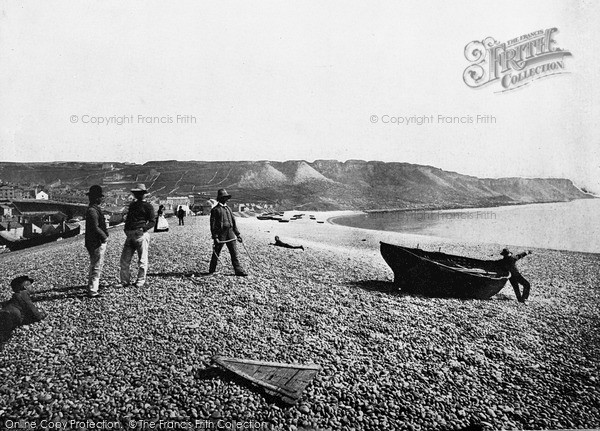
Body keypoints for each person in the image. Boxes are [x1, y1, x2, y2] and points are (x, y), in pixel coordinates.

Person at [120, 184, 156, 288]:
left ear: (143, 194)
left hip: (141, 234)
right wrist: (126, 229)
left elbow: (152, 221)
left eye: (140, 193)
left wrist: (143, 229)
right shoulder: (132, 205)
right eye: (136, 193)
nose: (138, 195)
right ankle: (124, 281)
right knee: (124, 260)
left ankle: (140, 280)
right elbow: (128, 219)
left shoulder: (148, 206)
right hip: (130, 234)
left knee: (142, 259)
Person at [208, 189, 247, 276]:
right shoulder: (215, 210)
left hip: (230, 232)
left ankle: (238, 270)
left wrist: (238, 234)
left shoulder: (229, 209)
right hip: (220, 234)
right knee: (216, 252)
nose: (227, 199)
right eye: (225, 197)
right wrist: (215, 237)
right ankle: (211, 270)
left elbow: (233, 223)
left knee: (234, 252)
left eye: (227, 197)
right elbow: (213, 225)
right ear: (220, 198)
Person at [0, 276, 46, 342]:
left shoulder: (16, 296)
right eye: (30, 285)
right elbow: (36, 315)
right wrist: (43, 314)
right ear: (25, 287)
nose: (32, 287)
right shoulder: (23, 295)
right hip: (7, 317)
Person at [85, 185, 109, 298]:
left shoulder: (92, 209)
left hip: (93, 242)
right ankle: (93, 290)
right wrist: (104, 237)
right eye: (100, 197)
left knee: (95, 264)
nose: (101, 199)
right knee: (96, 266)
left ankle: (93, 286)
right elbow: (95, 227)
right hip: (96, 242)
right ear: (96, 198)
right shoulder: (93, 211)